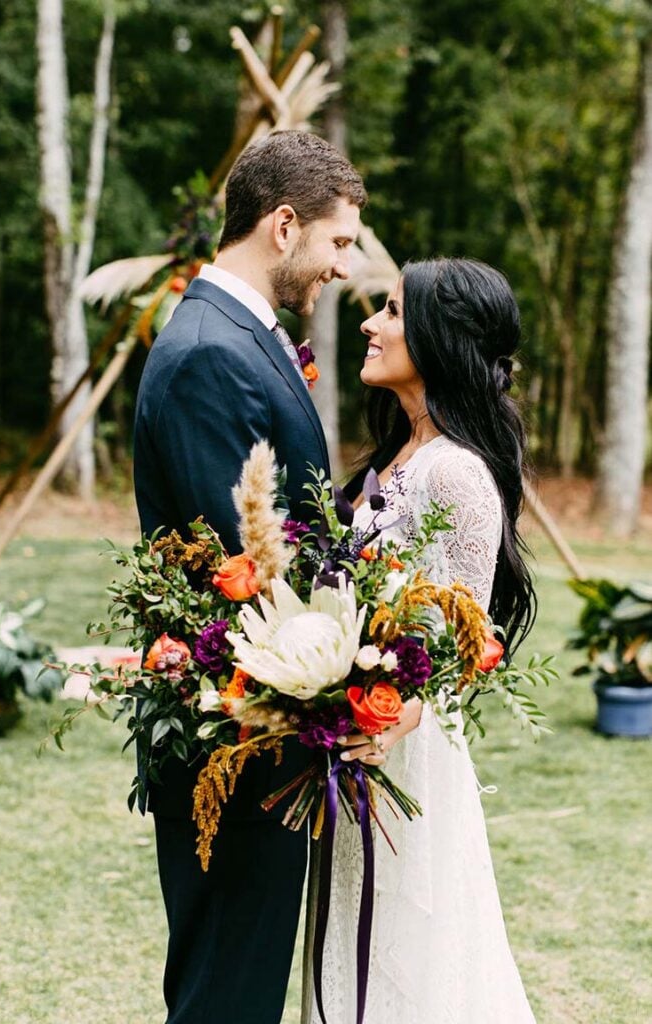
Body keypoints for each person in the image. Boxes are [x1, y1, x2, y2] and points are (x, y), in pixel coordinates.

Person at [133, 130, 366, 1024]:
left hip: (259, 729)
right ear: (283, 225)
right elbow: (245, 571)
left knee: (240, 987)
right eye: (337, 241)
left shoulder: (238, 336)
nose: (342, 266)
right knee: (225, 996)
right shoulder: (209, 353)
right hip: (234, 739)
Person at [305, 258, 538, 1023]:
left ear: (440, 337)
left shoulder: (457, 475)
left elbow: (466, 639)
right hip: (357, 741)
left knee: (405, 949)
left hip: (407, 748)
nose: (369, 323)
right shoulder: (395, 458)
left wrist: (393, 714)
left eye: (393, 311)